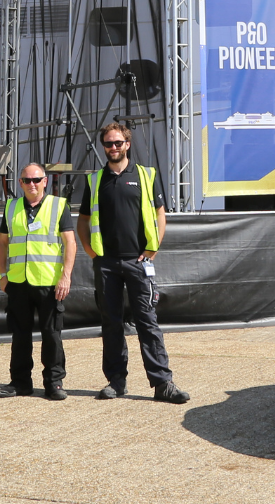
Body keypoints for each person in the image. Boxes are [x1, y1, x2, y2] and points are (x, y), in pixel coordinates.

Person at [81, 124, 190, 403]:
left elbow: (160, 214)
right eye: (108, 143)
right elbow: (82, 222)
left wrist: (152, 249)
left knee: (147, 321)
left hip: (138, 262)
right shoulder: (94, 180)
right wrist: (93, 254)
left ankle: (162, 383)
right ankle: (116, 382)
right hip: (106, 264)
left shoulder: (145, 175)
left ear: (127, 144)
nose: (113, 147)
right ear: (103, 147)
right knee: (111, 323)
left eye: (118, 142)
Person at [0, 162, 75, 400]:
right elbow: (2, 243)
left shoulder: (59, 206)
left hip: (49, 283)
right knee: (20, 335)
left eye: (37, 180)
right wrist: (2, 275)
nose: (32, 184)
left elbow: (70, 243)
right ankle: (20, 382)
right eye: (27, 180)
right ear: (20, 183)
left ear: (45, 182)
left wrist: (65, 276)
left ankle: (54, 382)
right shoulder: (11, 207)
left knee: (51, 334)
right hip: (18, 282)